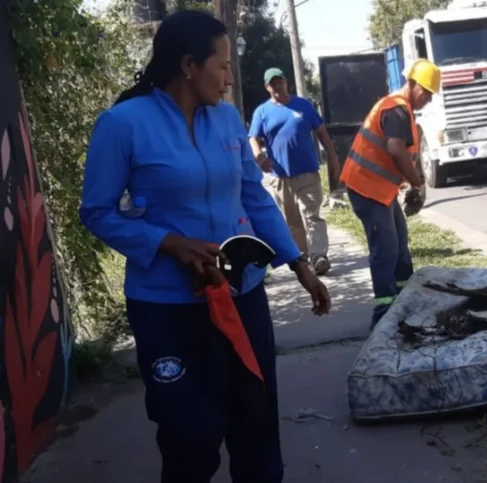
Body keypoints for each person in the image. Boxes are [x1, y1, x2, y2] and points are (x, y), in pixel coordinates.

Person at [79, 11, 331, 483]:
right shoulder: (123, 124)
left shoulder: (228, 119)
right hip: (167, 309)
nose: (230, 78)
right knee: (189, 433)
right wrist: (168, 243)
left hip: (241, 298)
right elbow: (97, 211)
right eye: (223, 66)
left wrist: (298, 264)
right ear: (189, 65)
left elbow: (253, 195)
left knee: (255, 423)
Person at [339, 59, 439, 327]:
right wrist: (416, 182)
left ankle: (406, 300)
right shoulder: (396, 110)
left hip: (379, 191)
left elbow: (401, 155)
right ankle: (384, 317)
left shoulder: (401, 109)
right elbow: (395, 149)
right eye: (426, 92)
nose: (428, 100)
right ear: (413, 84)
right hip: (366, 189)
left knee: (399, 247)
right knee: (386, 251)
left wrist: (411, 184)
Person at [249, 68, 339, 276]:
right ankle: (304, 257)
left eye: (280, 81)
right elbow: (253, 138)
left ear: (286, 83)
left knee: (312, 215)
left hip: (307, 171)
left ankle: (319, 256)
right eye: (273, 83)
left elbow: (322, 132)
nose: (277, 86)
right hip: (280, 176)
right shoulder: (262, 112)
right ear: (267, 88)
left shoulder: (303, 106)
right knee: (292, 220)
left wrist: (333, 158)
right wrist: (259, 157)